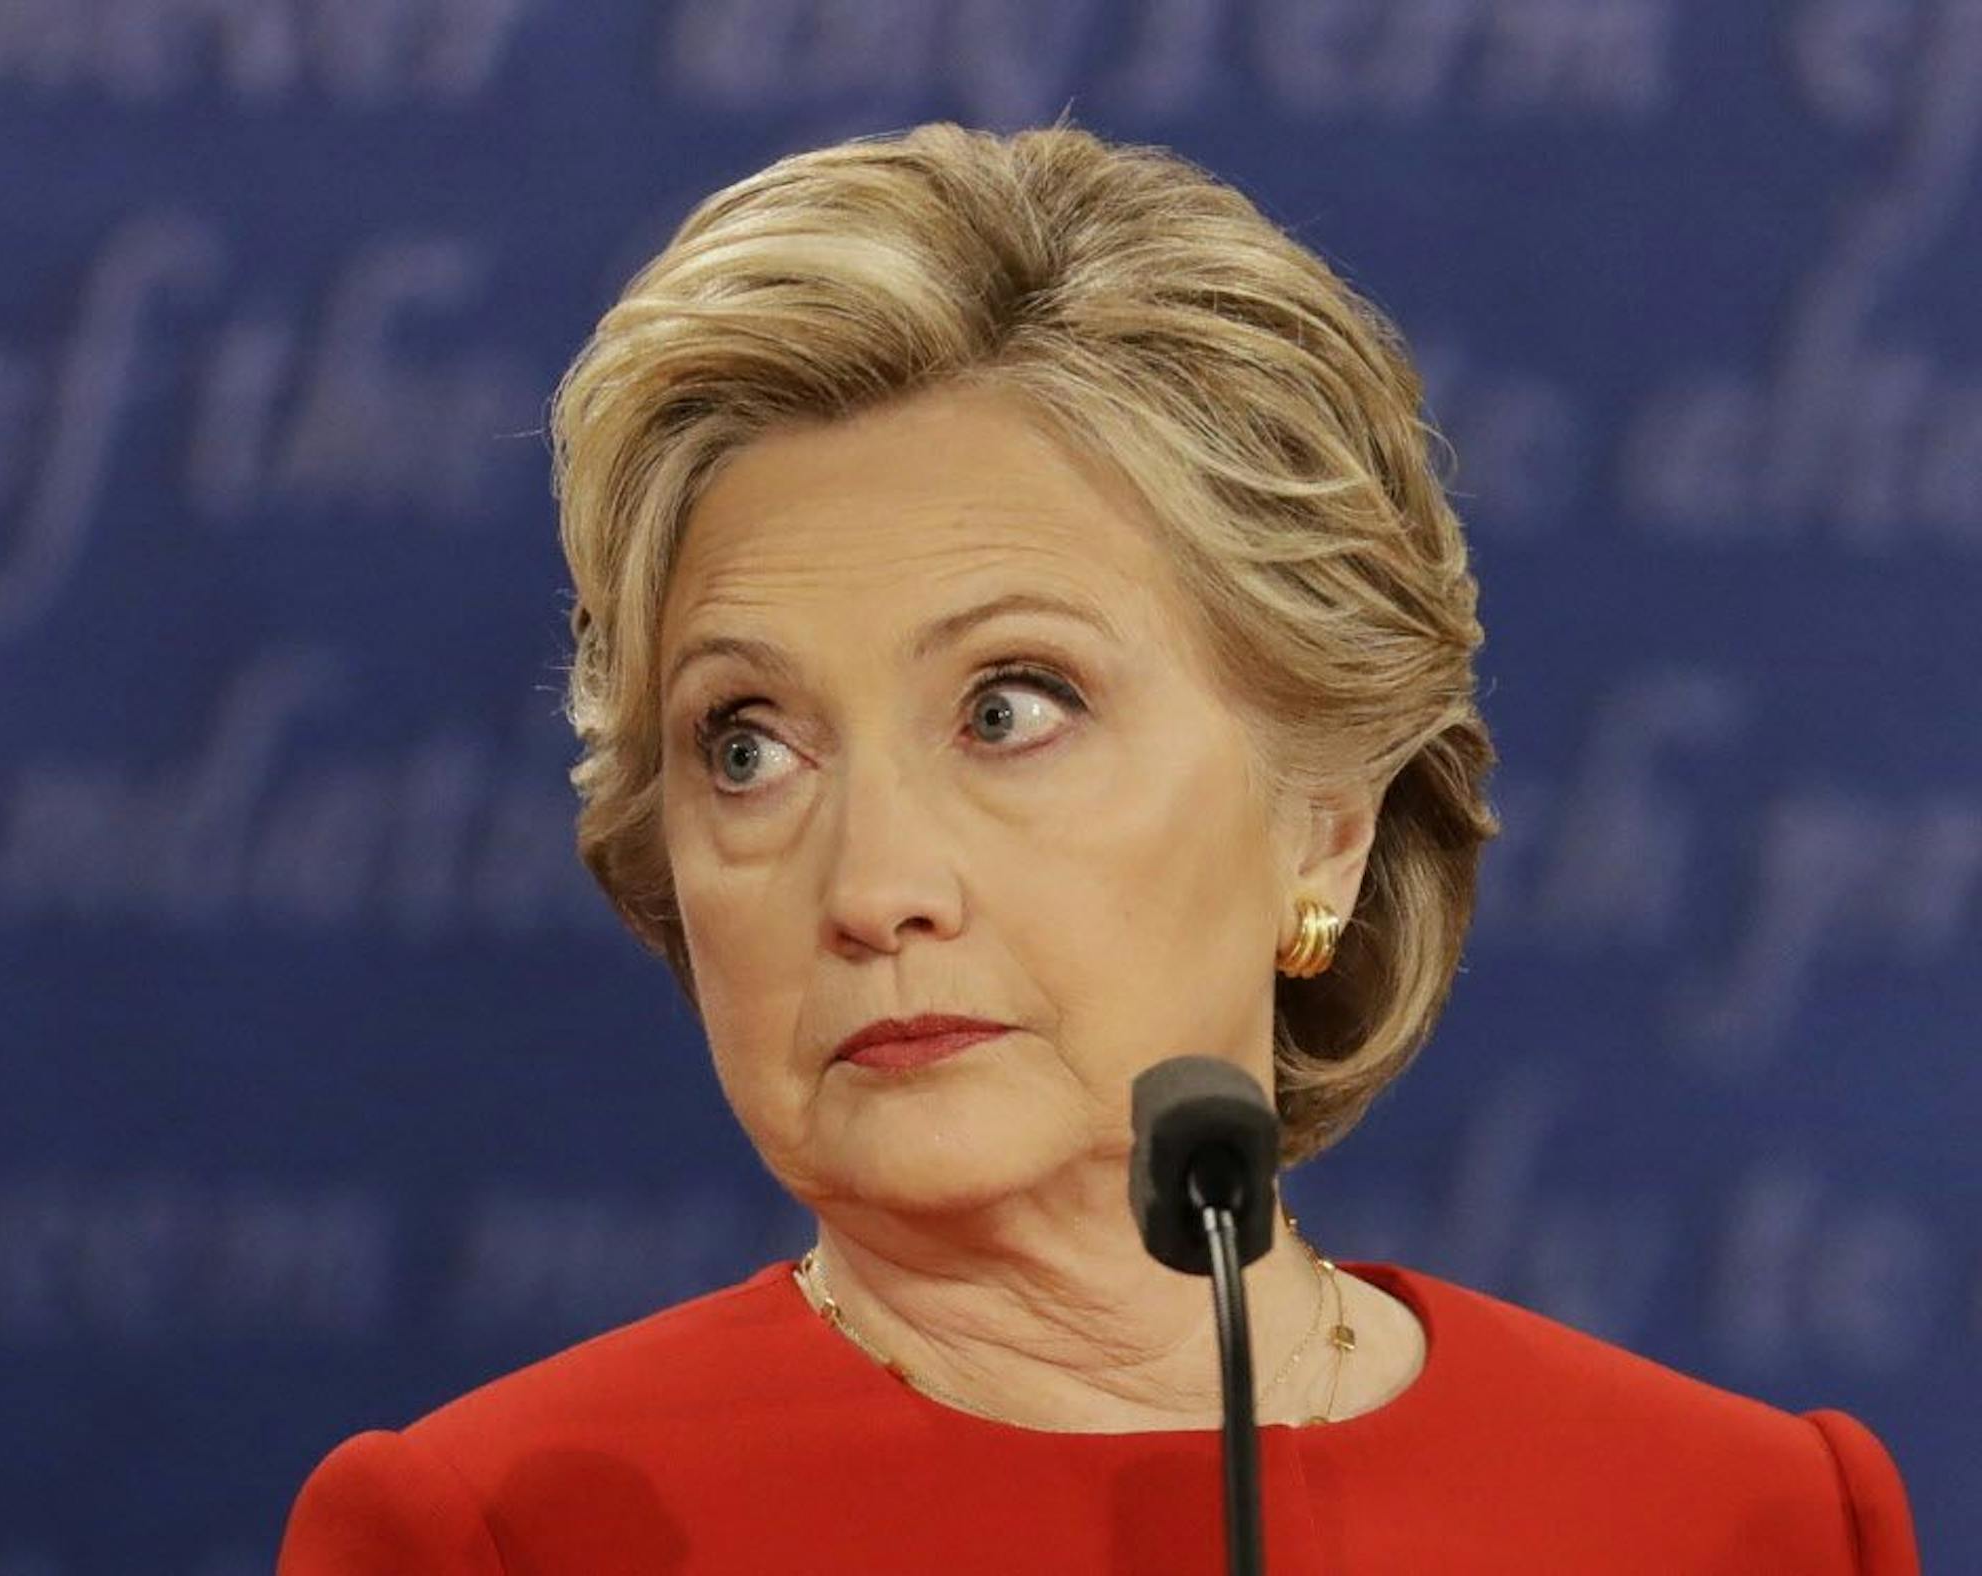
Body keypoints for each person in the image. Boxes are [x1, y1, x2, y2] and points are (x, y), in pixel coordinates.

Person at [277, 121, 1920, 1574]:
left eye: (1010, 709)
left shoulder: (1738, 1521)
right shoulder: (501, 1538)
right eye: (750, 747)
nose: (871, 891)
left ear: (1325, 821)